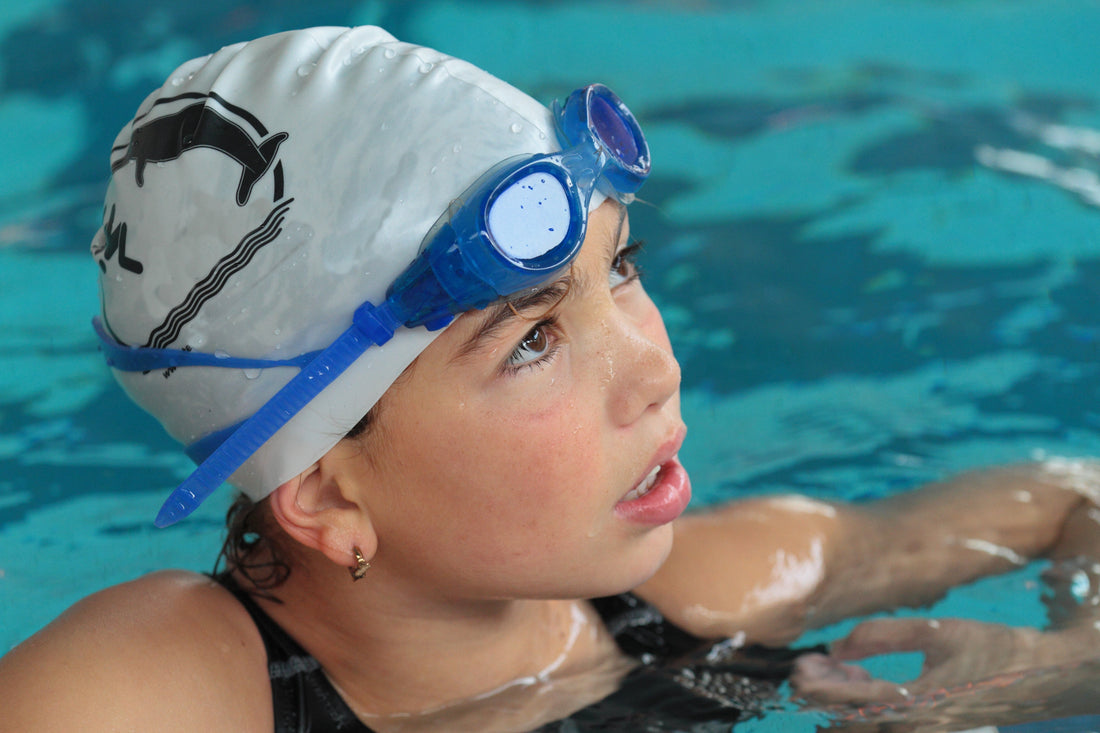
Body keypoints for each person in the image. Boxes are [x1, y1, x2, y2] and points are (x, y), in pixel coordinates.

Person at [1, 26, 1099, 732]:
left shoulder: (700, 608)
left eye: (618, 267)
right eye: (530, 338)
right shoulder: (162, 687)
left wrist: (1059, 664)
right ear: (329, 492)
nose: (655, 365)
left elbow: (1068, 496)